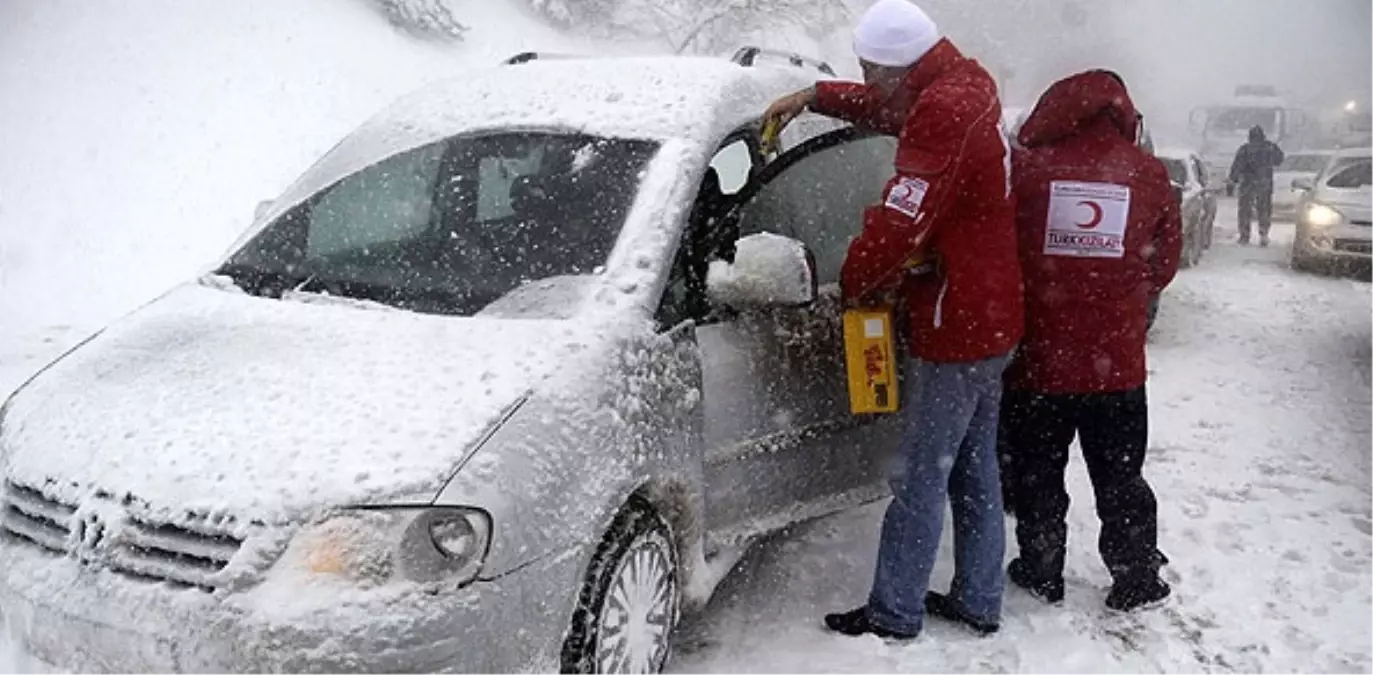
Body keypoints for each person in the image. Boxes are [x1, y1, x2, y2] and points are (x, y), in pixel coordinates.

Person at [763, 0, 1023, 639]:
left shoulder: (943, 109)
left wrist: (852, 285)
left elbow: (899, 221)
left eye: (869, 68)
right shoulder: (960, 84)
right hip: (994, 313)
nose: (868, 78)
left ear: (898, 64)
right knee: (973, 466)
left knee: (921, 474)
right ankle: (979, 598)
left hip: (957, 317)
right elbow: (886, 105)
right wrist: (816, 94)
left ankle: (895, 612)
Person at [1001, 70, 1182, 612]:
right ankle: (1134, 577)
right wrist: (1119, 296)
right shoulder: (1149, 175)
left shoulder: (1027, 172)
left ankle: (1041, 567)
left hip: (1040, 363)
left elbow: (1004, 253)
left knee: (1038, 473)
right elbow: (1165, 265)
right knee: (1121, 475)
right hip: (1116, 368)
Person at [1227, 125, 1285, 246]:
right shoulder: (1270, 147)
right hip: (1264, 183)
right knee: (1264, 209)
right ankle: (1263, 234)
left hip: (1247, 183)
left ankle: (1244, 235)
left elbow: (1236, 166)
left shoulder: (1245, 149)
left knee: (1245, 210)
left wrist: (1232, 181)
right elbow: (1279, 160)